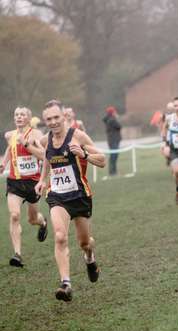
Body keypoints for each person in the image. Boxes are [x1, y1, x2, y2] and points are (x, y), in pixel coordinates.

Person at [34, 100, 106, 302]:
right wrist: (42, 180)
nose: (53, 122)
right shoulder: (44, 140)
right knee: (59, 236)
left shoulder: (78, 136)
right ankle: (66, 284)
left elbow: (102, 160)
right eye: (49, 119)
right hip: (57, 196)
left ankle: (90, 258)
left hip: (79, 196)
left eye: (56, 117)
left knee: (84, 242)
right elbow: (47, 158)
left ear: (64, 116)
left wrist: (83, 154)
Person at [0, 107, 48, 267]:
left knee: (32, 219)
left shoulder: (36, 135)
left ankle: (43, 223)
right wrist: (3, 162)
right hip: (14, 182)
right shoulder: (10, 135)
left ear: (28, 118)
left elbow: (44, 156)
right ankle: (17, 254)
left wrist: (26, 143)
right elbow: (10, 148)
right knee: (14, 215)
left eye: (22, 115)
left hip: (33, 183)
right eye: (16, 115)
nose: (19, 117)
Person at [102, 106, 122, 176]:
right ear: (112, 112)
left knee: (113, 156)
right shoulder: (112, 120)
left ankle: (113, 171)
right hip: (114, 140)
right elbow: (119, 126)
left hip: (112, 140)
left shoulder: (108, 119)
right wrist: (116, 118)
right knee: (114, 156)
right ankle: (113, 172)